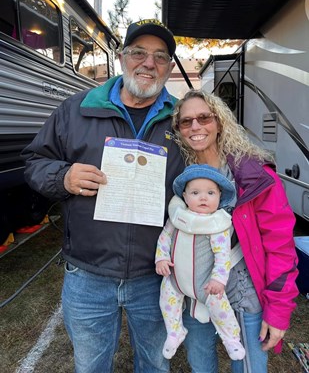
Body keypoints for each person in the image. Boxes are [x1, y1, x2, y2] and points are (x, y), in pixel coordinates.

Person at [21, 19, 185, 373]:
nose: (148, 63)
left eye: (160, 57)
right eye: (139, 53)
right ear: (123, 58)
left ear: (169, 67)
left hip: (155, 274)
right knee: (91, 365)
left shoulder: (183, 120)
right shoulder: (75, 109)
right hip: (88, 273)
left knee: (155, 365)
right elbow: (35, 161)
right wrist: (63, 176)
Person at [171, 89, 299, 373]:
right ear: (178, 130)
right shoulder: (178, 175)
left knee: (249, 365)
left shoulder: (253, 175)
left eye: (204, 117)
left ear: (219, 122)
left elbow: (280, 246)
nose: (195, 127)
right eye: (186, 121)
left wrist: (278, 311)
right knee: (200, 362)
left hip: (243, 286)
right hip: (197, 288)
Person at [155, 164, 246, 361]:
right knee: (167, 300)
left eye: (210, 193)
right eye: (195, 192)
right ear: (185, 197)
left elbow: (223, 257)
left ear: (220, 197)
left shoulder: (217, 224)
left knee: (221, 308)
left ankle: (231, 339)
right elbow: (164, 238)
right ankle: (175, 331)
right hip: (176, 279)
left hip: (205, 284)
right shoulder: (178, 218)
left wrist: (218, 280)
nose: (203, 198)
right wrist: (161, 258)